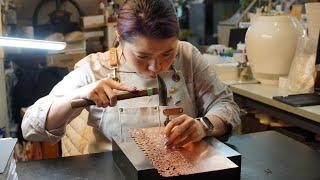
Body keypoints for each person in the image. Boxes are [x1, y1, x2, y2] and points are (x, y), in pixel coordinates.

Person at [22, 0, 240, 153]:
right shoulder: (95, 68)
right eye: (143, 56)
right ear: (119, 38)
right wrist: (80, 95)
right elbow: (30, 127)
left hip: (183, 167)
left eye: (167, 54)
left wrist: (203, 126)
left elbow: (226, 105)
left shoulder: (187, 56)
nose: (156, 67)